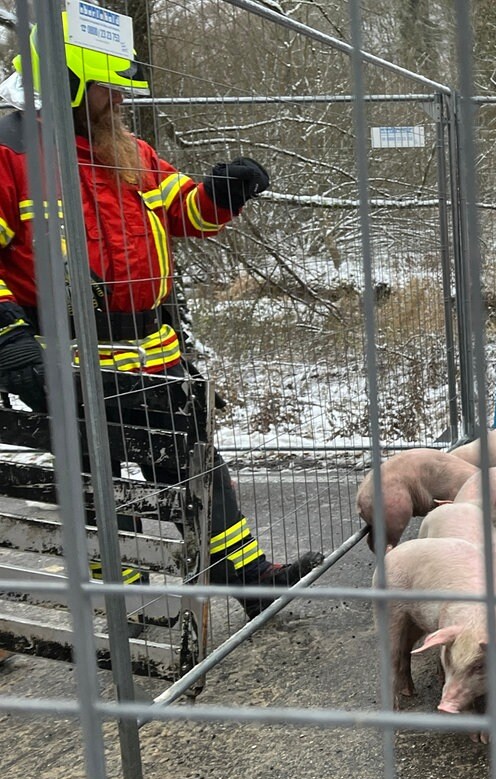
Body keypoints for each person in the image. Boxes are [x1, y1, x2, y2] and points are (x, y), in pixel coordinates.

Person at [0, 31, 321, 619]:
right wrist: (8, 338)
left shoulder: (131, 152)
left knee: (194, 461)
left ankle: (247, 579)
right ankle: (118, 599)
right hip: (68, 358)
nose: (118, 101)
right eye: (105, 89)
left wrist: (223, 192)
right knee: (95, 480)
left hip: (152, 346)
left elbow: (185, 210)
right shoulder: (9, 153)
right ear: (66, 88)